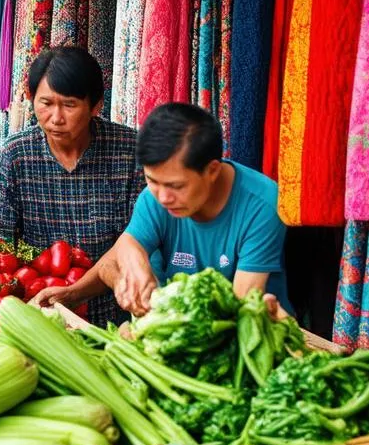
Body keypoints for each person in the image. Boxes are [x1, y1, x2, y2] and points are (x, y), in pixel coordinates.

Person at [36, 102, 290, 317]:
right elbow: (127, 245)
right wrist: (135, 267)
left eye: (176, 186)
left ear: (212, 171)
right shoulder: (154, 197)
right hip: (174, 323)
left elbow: (242, 303)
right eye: (152, 180)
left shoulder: (263, 204)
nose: (164, 197)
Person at [0, 47, 143, 325]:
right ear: (31, 99)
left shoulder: (130, 151)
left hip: (113, 316)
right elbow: (1, 241)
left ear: (95, 106)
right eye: (45, 103)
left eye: (69, 105)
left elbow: (137, 240)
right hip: (41, 314)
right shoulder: (17, 154)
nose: (55, 117)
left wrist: (76, 292)